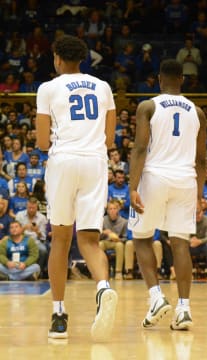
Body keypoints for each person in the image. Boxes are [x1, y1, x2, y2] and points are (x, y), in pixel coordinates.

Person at [35, 35, 118, 341]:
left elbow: (43, 142)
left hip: (64, 162)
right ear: (82, 59)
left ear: (57, 58)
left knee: (60, 240)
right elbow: (110, 141)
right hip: (96, 163)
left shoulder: (48, 88)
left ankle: (59, 315)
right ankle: (103, 288)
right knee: (90, 241)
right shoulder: (103, 87)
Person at [128, 59, 206, 331]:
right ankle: (184, 309)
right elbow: (201, 160)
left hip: (155, 177)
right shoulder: (198, 112)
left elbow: (139, 149)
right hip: (186, 180)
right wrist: (199, 195)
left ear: (159, 79)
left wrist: (132, 186)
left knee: (141, 239)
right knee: (180, 243)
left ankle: (156, 297)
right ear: (182, 79)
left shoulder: (148, 106)